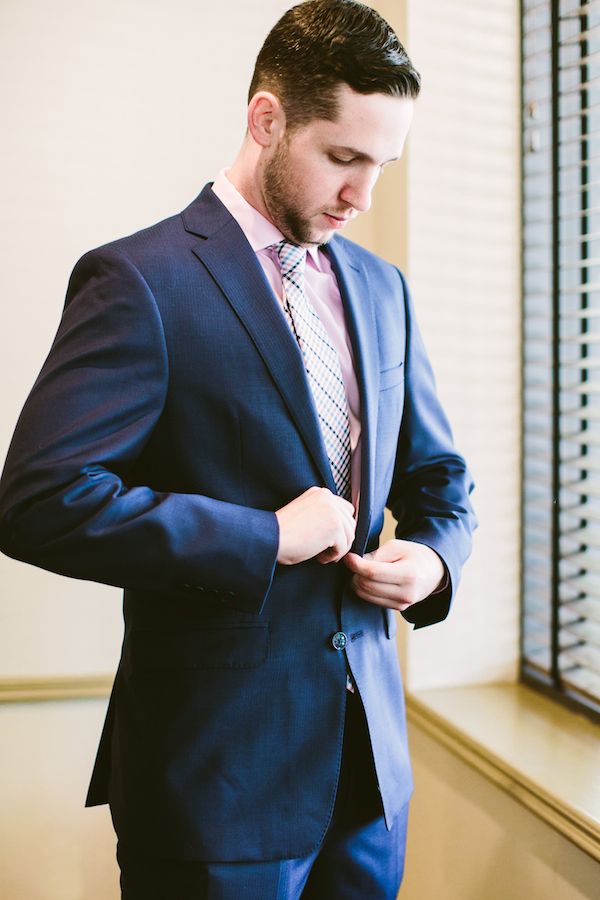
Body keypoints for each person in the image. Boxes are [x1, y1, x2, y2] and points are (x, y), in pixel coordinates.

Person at [0, 1, 476, 897]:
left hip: (369, 783)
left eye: (383, 165)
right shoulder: (140, 281)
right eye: (343, 158)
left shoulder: (384, 290)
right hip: (213, 785)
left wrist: (436, 564)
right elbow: (40, 500)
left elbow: (441, 480)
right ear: (266, 119)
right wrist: (265, 538)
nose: (363, 197)